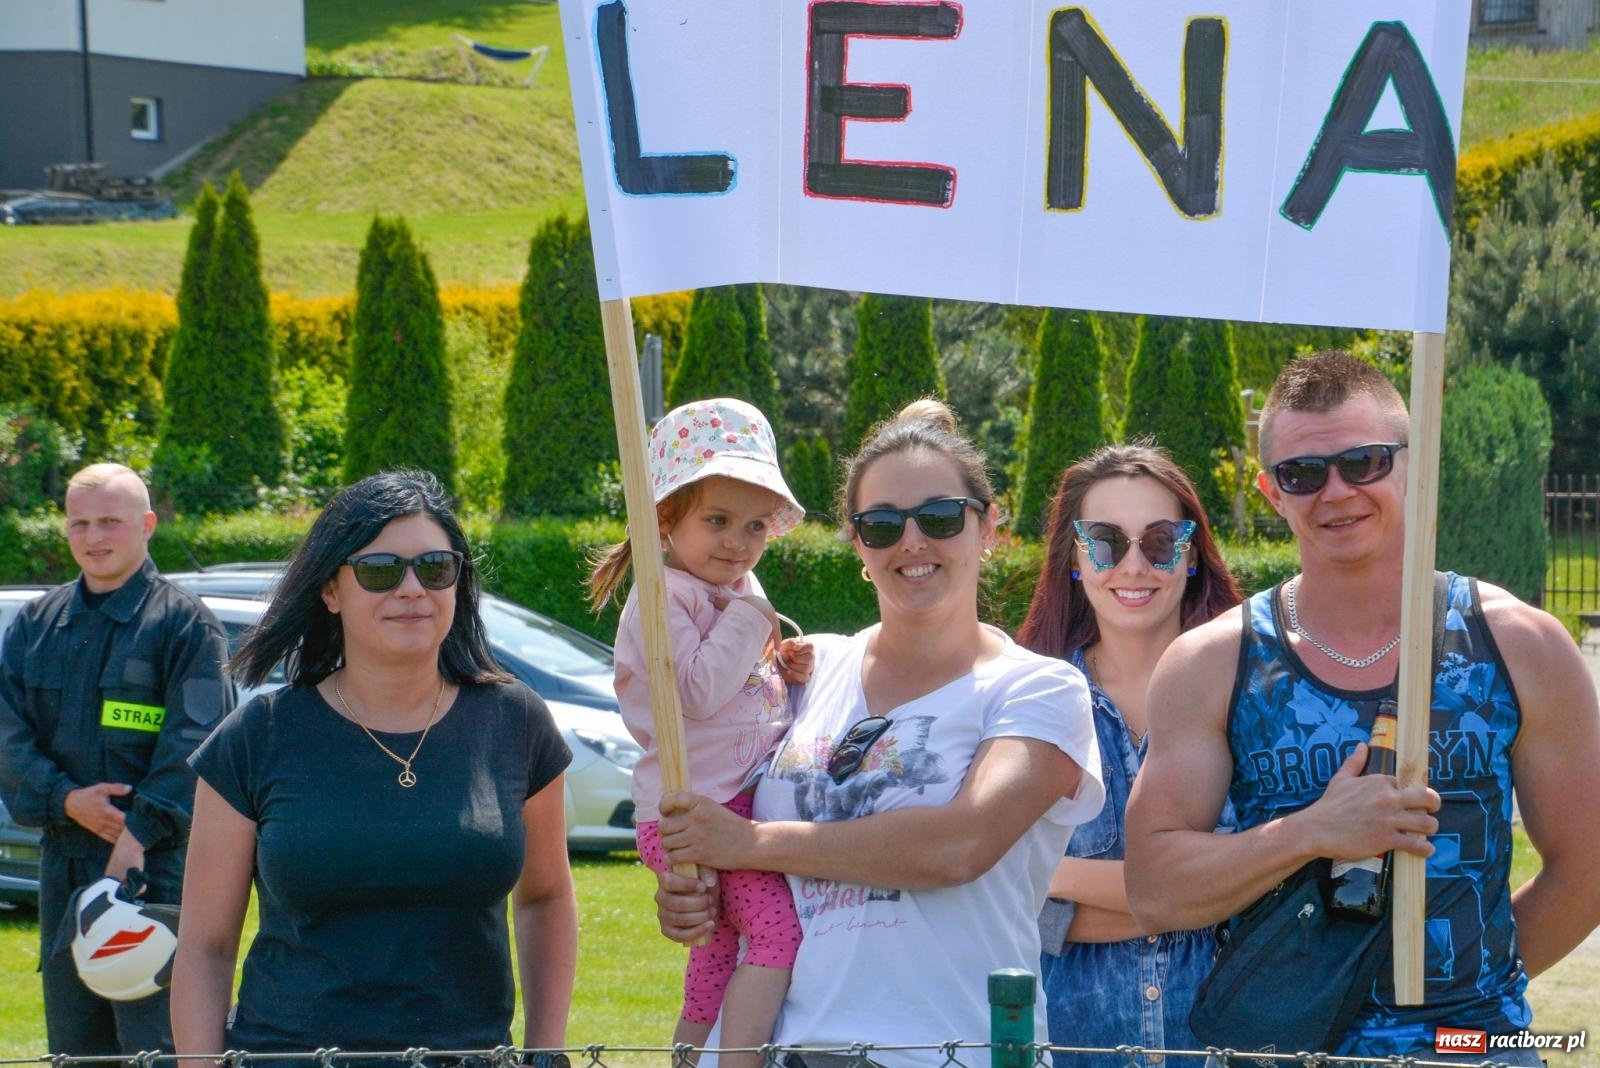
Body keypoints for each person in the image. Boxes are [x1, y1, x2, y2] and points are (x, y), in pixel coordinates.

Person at [1124, 351, 1600, 1061]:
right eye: (1303, 474)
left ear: (1411, 465)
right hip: (1285, 1048)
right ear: (1270, 492)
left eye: (1365, 461)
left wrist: (1468, 1001)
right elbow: (1154, 889)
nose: (1336, 491)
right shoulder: (1215, 665)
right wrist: (1312, 831)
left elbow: (1586, 869)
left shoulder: (1519, 644)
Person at [653, 399, 1105, 1067]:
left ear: (988, 528)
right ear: (858, 546)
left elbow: (960, 845)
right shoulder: (805, 671)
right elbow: (721, 800)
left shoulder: (1037, 689)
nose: (913, 542)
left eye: (941, 517)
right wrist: (695, 888)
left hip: (952, 1054)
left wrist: (752, 842)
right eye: (882, 525)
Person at [171, 470, 577, 1065]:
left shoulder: (515, 721)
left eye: (435, 567)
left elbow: (545, 897)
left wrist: (546, 1054)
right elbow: (205, 947)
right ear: (330, 591)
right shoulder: (259, 736)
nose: (411, 588)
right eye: (380, 571)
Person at [588, 398, 813, 1067]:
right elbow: (696, 691)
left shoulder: (730, 588)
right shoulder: (662, 596)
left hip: (729, 802)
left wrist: (783, 664)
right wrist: (754, 618)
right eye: (717, 521)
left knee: (716, 955)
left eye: (755, 526)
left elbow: (744, 694)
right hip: (691, 811)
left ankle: (688, 1059)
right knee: (775, 935)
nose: (738, 543)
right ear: (666, 518)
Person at [1015, 444, 1239, 1066]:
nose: (1134, 565)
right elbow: (1009, 908)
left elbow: (1270, 883)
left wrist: (1048, 872)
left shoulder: (1252, 695)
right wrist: (1205, 893)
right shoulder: (1025, 703)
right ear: (1074, 559)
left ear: (1191, 555)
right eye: (1106, 541)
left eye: (1161, 540)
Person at [0, 462, 234, 1056]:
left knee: (157, 1044)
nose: (93, 537)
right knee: (76, 1048)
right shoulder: (37, 625)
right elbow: (6, 732)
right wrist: (65, 799)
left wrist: (136, 834)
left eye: (110, 521)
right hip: (65, 864)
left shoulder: (185, 627)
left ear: (147, 524)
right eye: (79, 523)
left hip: (155, 873)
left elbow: (197, 745)